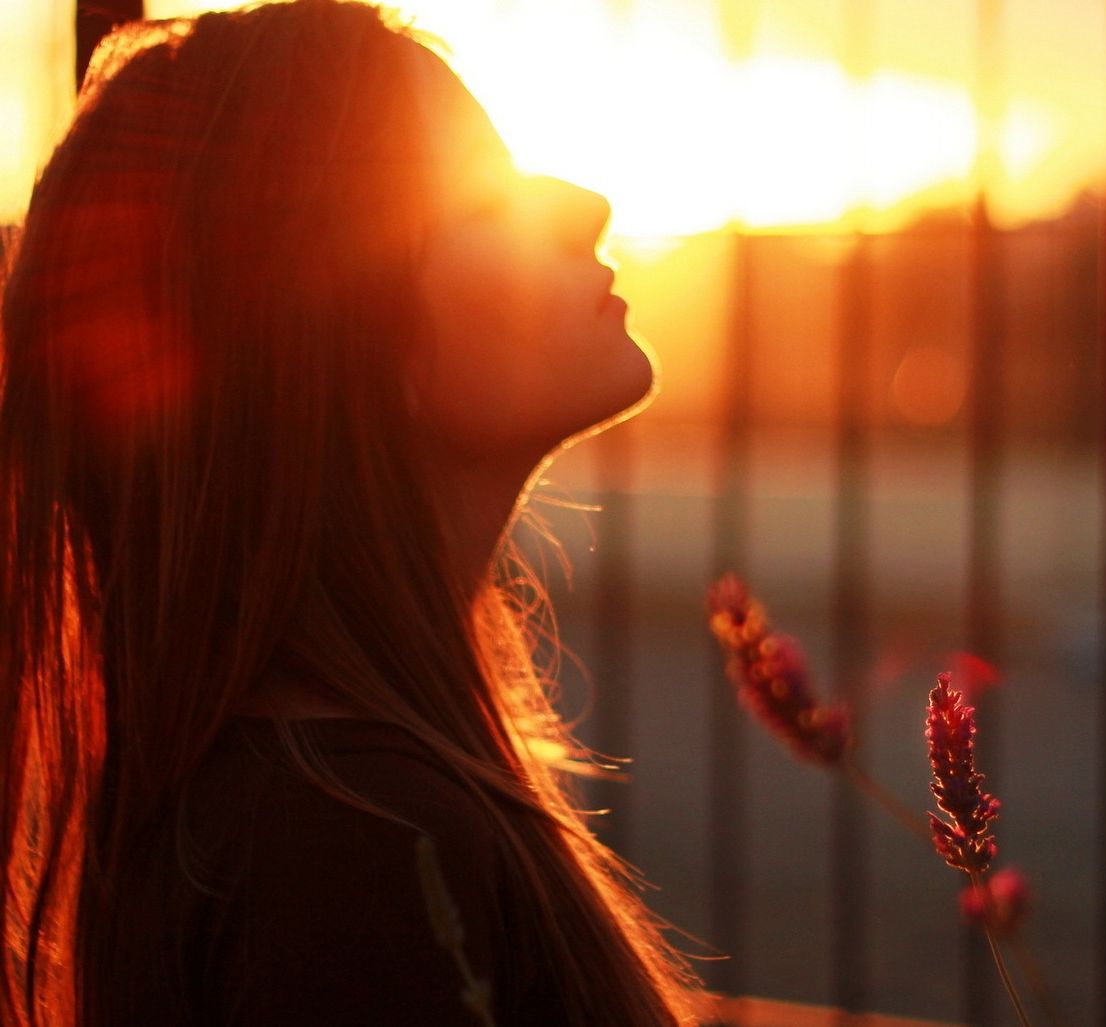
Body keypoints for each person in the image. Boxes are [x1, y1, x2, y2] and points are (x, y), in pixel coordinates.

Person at [0, 1, 695, 1023]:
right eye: (481, 202)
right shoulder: (352, 850)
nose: (583, 202)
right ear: (340, 340)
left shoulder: (312, 804)